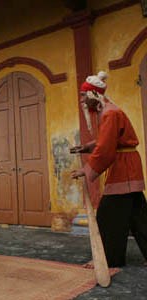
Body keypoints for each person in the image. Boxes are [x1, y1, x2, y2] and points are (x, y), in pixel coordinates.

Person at [70, 71, 147, 267]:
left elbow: (106, 149)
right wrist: (87, 147)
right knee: (138, 216)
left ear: (93, 95)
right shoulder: (110, 111)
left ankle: (108, 260)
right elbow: (108, 139)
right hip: (127, 166)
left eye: (83, 95)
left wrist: (86, 170)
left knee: (107, 216)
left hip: (124, 169)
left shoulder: (110, 113)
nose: (81, 99)